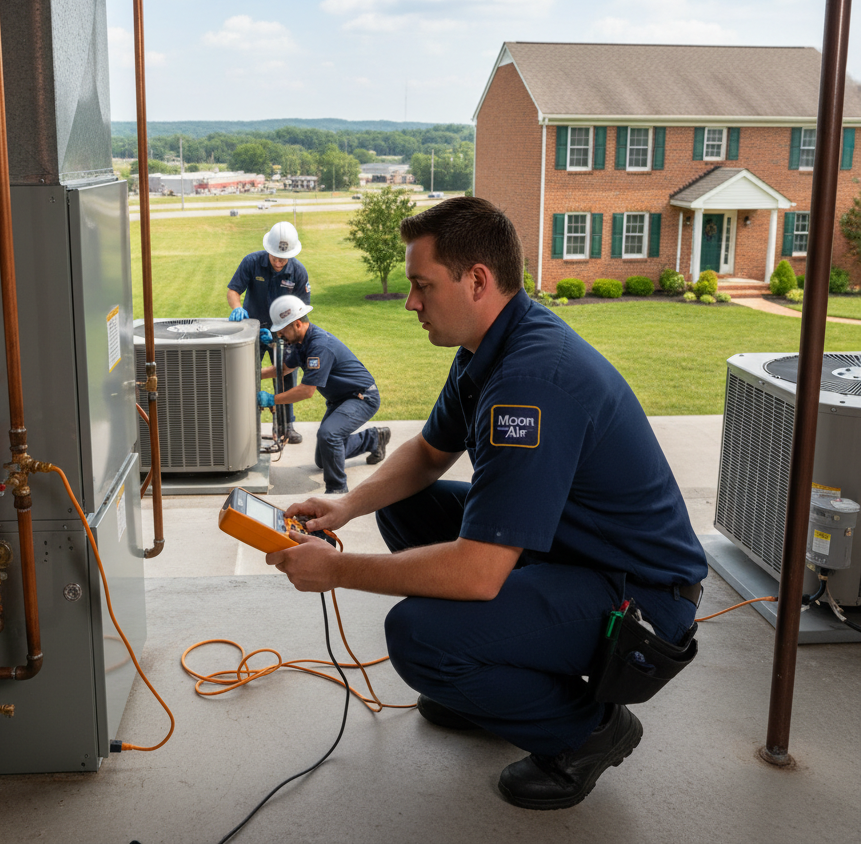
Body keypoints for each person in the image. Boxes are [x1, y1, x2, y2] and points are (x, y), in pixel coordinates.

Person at [267, 196, 707, 810]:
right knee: (402, 506)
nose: (410, 301)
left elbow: (477, 573)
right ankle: (493, 677)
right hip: (572, 551)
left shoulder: (530, 385)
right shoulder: (488, 347)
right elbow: (426, 452)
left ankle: (588, 732)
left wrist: (337, 570)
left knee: (418, 637)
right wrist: (347, 505)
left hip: (641, 599)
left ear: (477, 280)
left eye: (422, 285)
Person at [258, 295, 391, 495]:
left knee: (329, 436)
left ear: (297, 324)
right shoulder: (301, 342)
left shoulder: (319, 346)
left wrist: (272, 399)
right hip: (340, 399)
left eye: (282, 330)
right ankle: (374, 439)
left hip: (361, 397)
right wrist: (251, 376)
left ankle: (337, 490)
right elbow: (284, 368)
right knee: (323, 459)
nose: (280, 334)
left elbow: (306, 390)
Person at [227, 221, 310, 444]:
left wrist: (286, 336)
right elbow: (234, 290)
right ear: (267, 249)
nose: (278, 261)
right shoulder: (252, 262)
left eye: (283, 258)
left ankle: (286, 425)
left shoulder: (298, 272)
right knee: (246, 374)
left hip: (283, 333)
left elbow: (302, 312)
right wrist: (237, 308)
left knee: (285, 376)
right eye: (274, 256)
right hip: (252, 330)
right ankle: (240, 423)